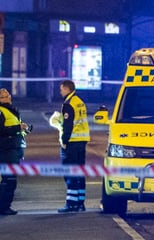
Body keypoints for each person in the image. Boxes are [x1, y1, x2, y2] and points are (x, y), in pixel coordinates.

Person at [0, 88, 29, 216]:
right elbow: (0, 130)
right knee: (8, 179)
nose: (9, 98)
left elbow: (13, 129)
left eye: (8, 96)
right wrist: (18, 127)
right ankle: (3, 207)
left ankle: (6, 206)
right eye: (5, 97)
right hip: (6, 149)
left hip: (14, 148)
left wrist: (24, 130)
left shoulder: (10, 111)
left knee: (11, 179)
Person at [57, 80, 90, 213]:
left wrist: (64, 140)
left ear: (66, 89)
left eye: (61, 89)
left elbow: (68, 124)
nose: (60, 92)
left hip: (72, 142)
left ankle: (71, 203)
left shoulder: (68, 104)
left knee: (69, 173)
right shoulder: (79, 101)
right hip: (81, 141)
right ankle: (80, 203)